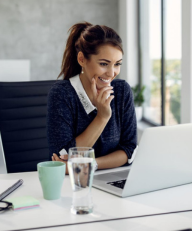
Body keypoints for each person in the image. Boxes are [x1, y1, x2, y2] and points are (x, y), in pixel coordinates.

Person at [47, 22, 137, 174]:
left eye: (117, 64)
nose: (111, 73)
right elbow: (64, 157)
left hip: (110, 177)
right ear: (82, 59)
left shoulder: (122, 91)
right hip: (72, 184)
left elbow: (129, 150)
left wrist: (90, 164)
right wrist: (102, 117)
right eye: (104, 64)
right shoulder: (62, 94)